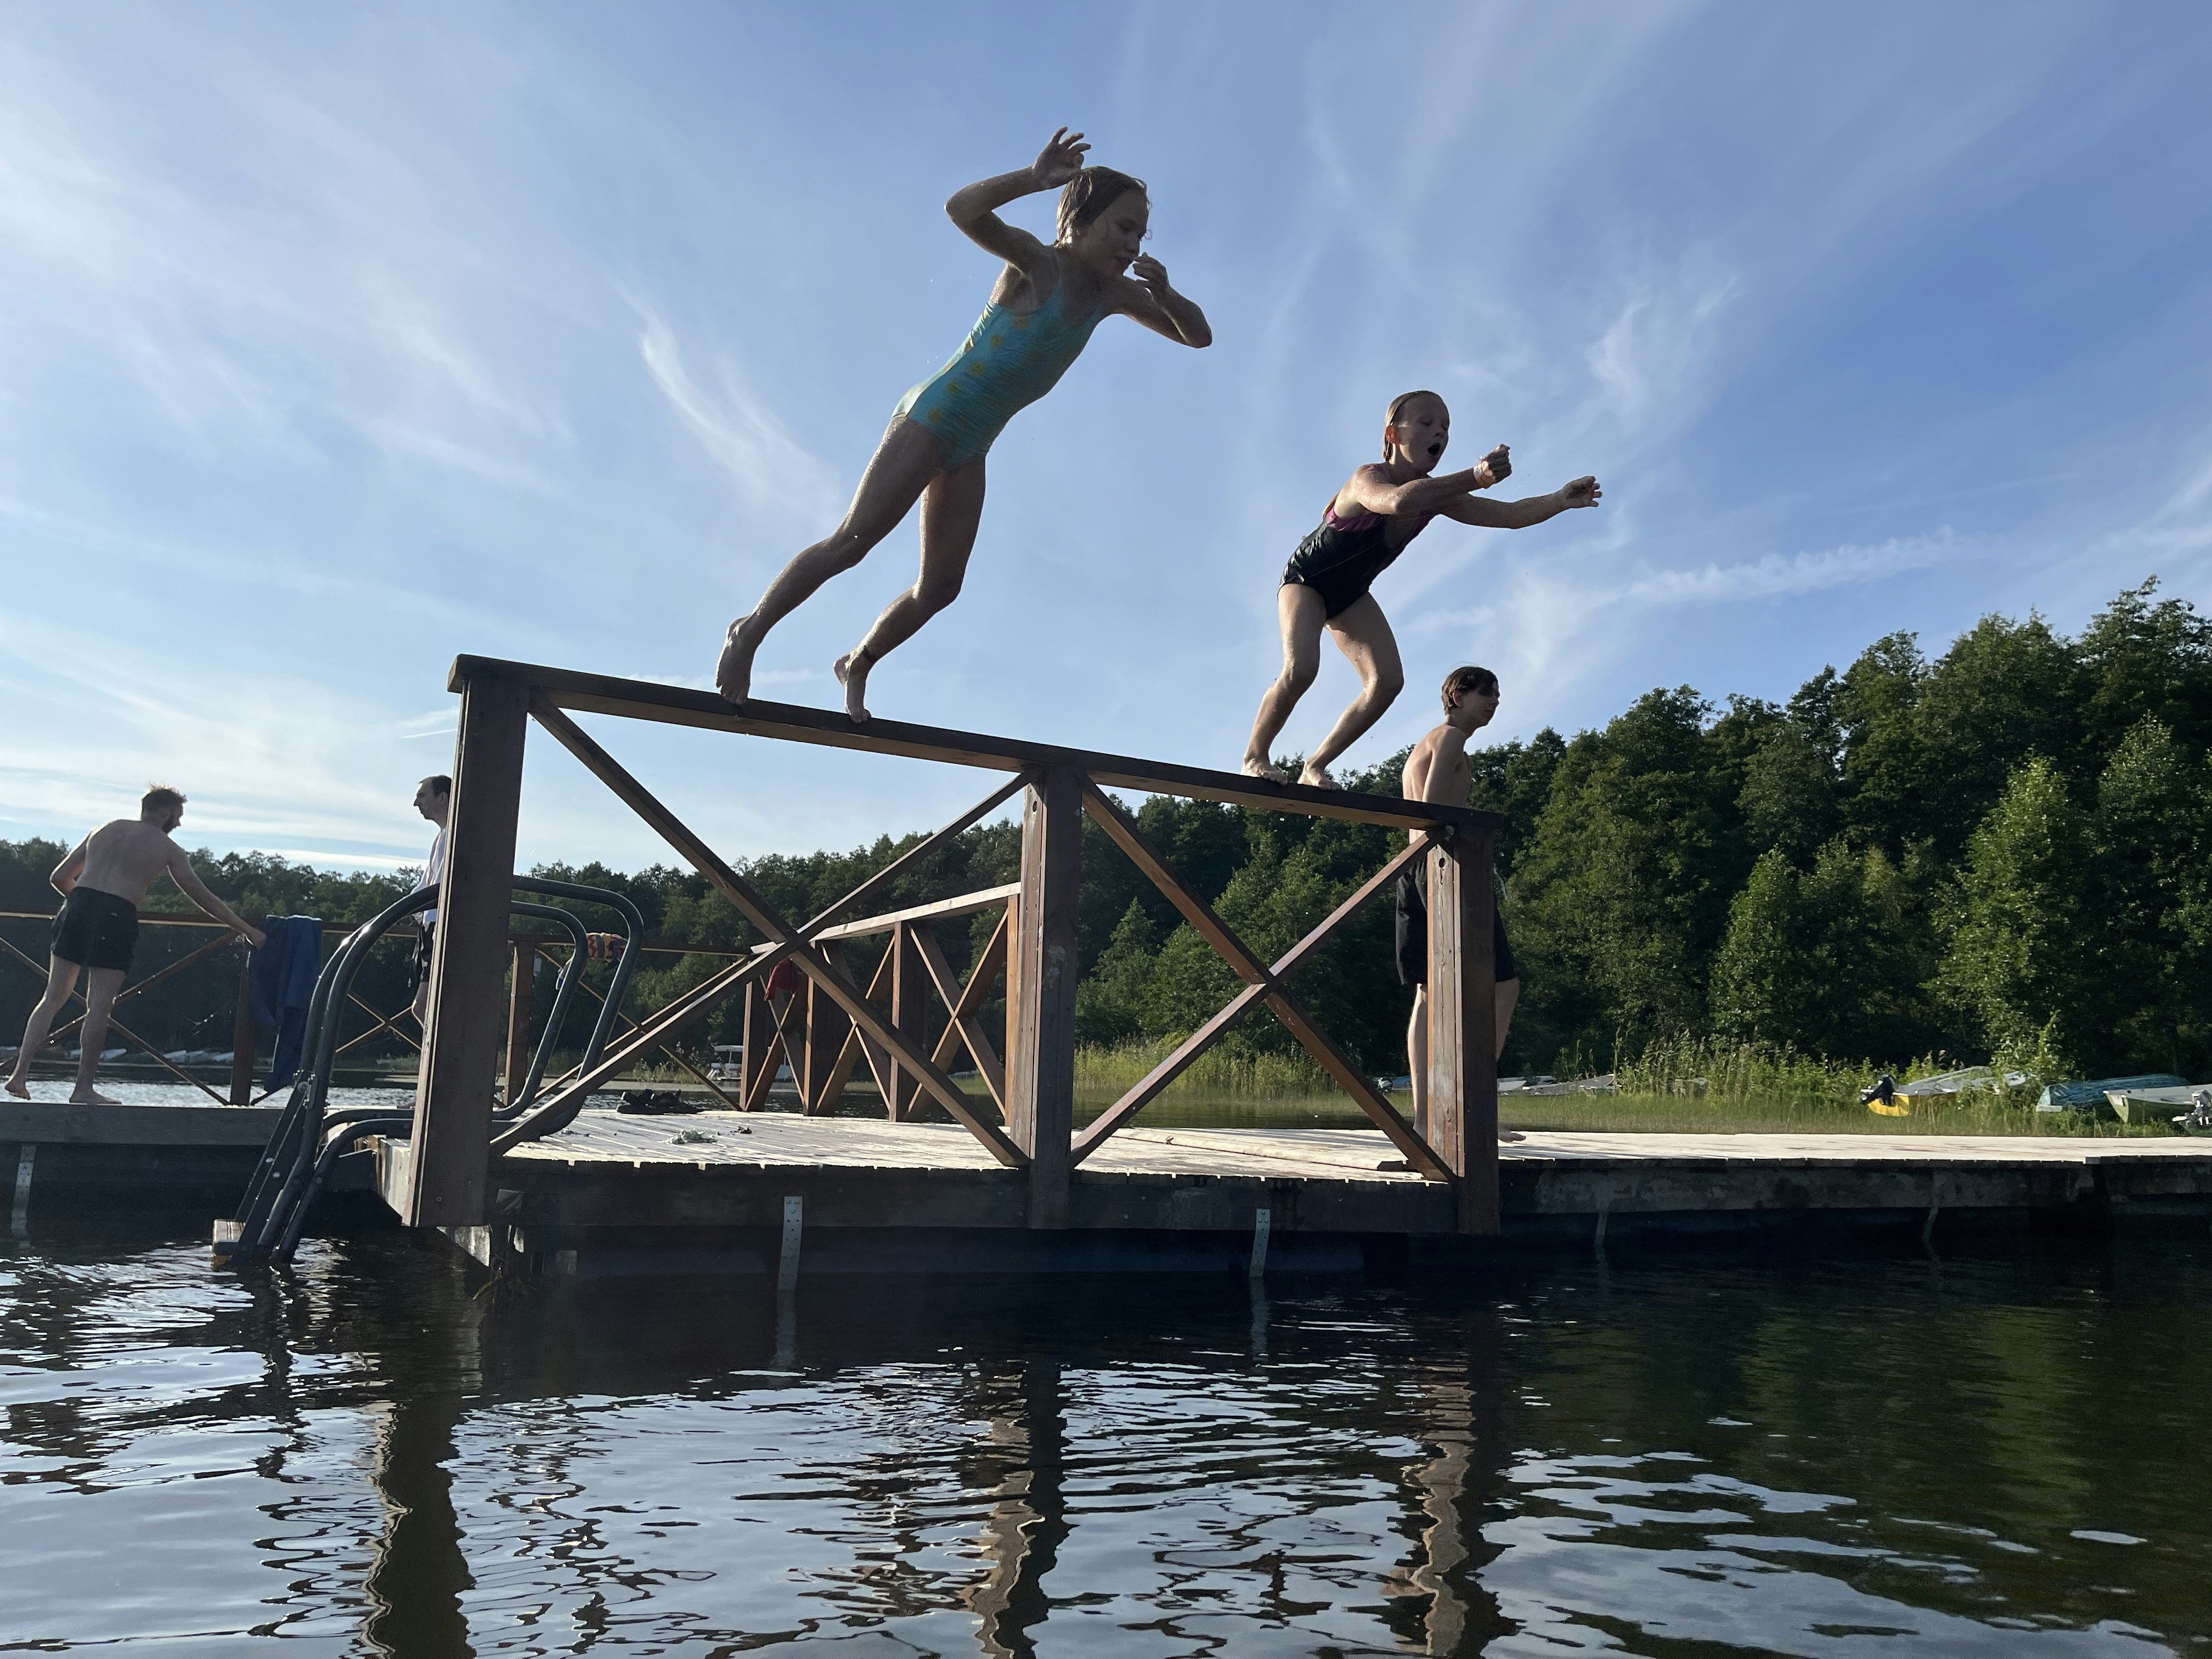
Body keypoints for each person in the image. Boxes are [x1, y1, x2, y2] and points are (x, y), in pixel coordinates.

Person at [714, 127, 1212, 721]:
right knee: (852, 542)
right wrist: (1032, 179)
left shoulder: (1114, 297)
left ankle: (858, 661)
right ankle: (749, 631)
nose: (1132, 244)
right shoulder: (1037, 263)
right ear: (1080, 218)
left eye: (1141, 233)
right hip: (933, 415)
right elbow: (961, 210)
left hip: (973, 443)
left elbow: (1198, 336)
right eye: (1123, 227)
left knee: (941, 589)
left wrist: (1170, 294)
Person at [1241, 391, 1600, 787]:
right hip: (1307, 580)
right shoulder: (1367, 478)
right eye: (1427, 423)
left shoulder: (1439, 496)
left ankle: (1315, 766)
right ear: (1393, 435)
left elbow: (1510, 515)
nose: (1440, 433)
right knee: (1302, 668)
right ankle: (1255, 755)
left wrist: (1559, 499)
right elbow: (1395, 502)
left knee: (1386, 683)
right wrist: (1474, 477)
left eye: (1446, 427)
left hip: (1351, 593)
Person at [5, 786, 266, 1105]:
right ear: (168, 813)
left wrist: (84, 904)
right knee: (99, 1006)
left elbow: (60, 877)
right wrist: (247, 929)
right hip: (117, 914)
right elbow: (202, 897)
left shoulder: (104, 830)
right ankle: (83, 1089)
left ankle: (19, 1075)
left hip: (78, 905)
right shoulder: (168, 848)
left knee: (53, 997)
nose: (179, 825)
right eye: (179, 817)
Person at [1397, 668, 1523, 1144]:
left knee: (1430, 996)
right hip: (1442, 873)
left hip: (1416, 872)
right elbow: (1432, 813)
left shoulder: (1428, 743)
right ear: (1457, 694)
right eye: (1486, 693)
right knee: (1503, 987)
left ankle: (1429, 1120)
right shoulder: (1448, 737)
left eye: (1497, 694)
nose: (1494, 702)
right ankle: (1473, 1107)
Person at [409, 775, 450, 1026]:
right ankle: (440, 1061)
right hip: (430, 928)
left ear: (443, 798)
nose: (416, 803)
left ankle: (443, 1063)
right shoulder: (442, 838)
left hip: (439, 928)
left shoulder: (454, 838)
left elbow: (437, 888)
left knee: (424, 1007)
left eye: (422, 795)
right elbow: (425, 886)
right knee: (425, 1007)